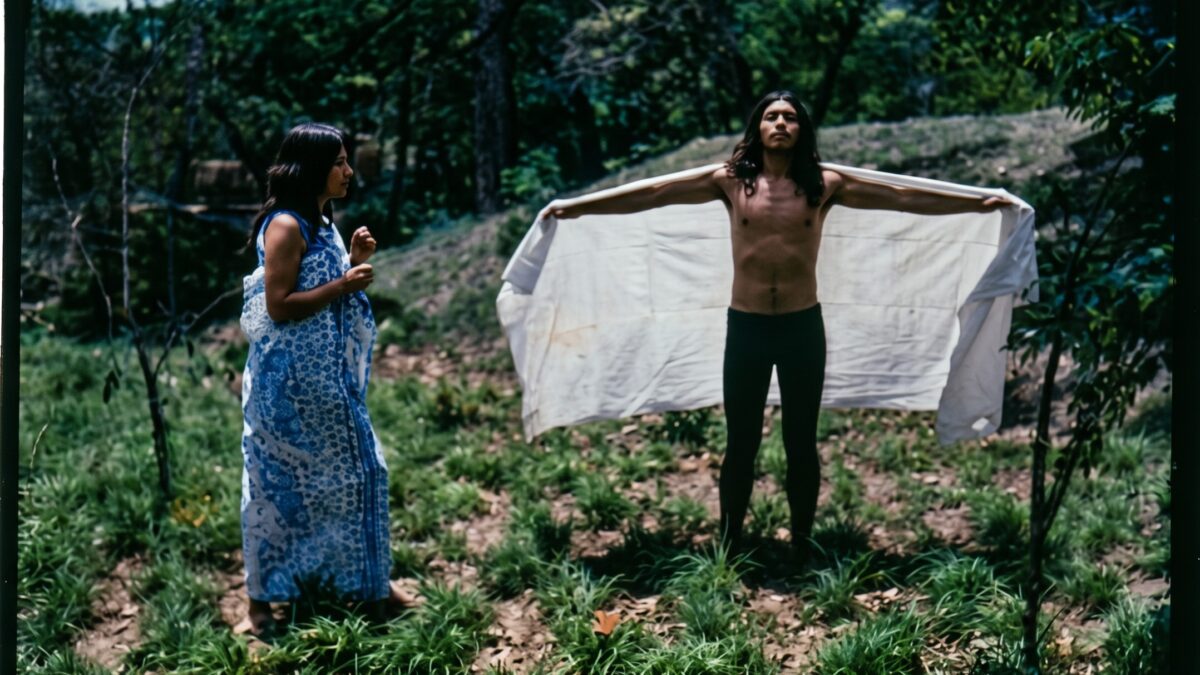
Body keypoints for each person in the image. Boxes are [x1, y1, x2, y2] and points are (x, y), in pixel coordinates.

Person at [544, 90, 1009, 563]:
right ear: (758, 128)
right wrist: (581, 206)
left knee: (801, 443)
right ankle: (729, 546)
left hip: (801, 331)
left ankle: (802, 544)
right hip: (746, 329)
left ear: (802, 130)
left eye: (790, 117)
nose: (781, 124)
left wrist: (975, 204)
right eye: (772, 117)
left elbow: (902, 195)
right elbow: (656, 192)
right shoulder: (730, 182)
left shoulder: (824, 184)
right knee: (740, 444)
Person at [239, 122, 398, 634]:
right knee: (276, 489)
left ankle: (367, 583)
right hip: (288, 387)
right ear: (311, 168)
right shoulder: (285, 225)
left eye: (346, 161)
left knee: (358, 476)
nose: (349, 172)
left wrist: (352, 262)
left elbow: (317, 285)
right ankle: (262, 599)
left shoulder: (320, 219)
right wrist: (344, 282)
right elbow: (280, 307)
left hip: (326, 382)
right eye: (339, 163)